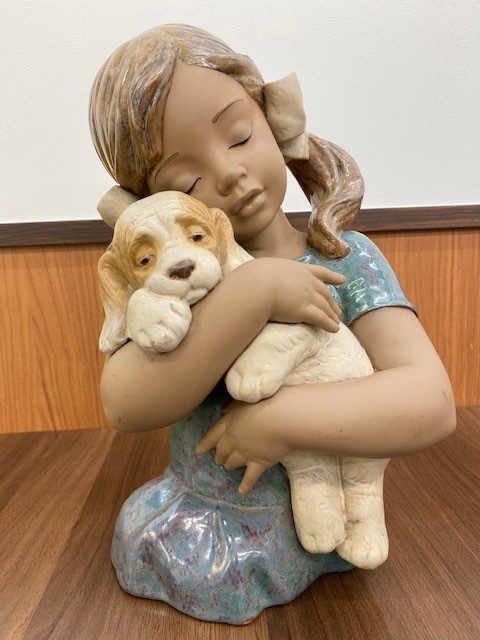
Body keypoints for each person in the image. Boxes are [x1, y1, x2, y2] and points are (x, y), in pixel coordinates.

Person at [89, 24, 456, 624]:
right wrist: (254, 291)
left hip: (329, 507)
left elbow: (430, 401)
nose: (230, 174)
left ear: (274, 121)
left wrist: (276, 421)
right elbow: (125, 405)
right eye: (187, 181)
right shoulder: (179, 286)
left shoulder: (346, 259)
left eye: (239, 136)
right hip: (202, 515)